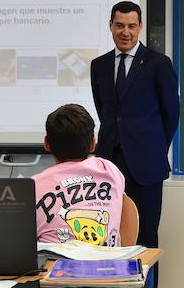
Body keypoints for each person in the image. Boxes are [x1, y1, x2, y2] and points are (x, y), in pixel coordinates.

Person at [89, 1, 179, 248]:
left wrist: (155, 149)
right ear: (110, 26)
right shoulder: (99, 65)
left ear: (140, 27)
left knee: (146, 237)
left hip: (146, 166)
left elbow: (171, 113)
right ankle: (113, 287)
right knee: (108, 236)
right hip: (109, 164)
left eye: (131, 26)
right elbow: (105, 111)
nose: (125, 32)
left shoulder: (158, 64)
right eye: (119, 25)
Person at [33, 104, 126, 247]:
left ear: (47, 144)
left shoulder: (33, 186)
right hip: (109, 265)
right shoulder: (110, 170)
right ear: (93, 144)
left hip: (55, 267)